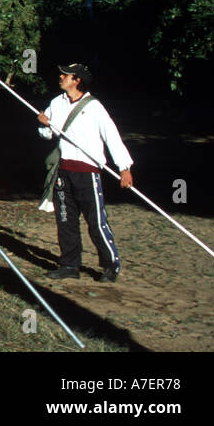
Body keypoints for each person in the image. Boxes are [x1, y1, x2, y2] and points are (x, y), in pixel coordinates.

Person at [37, 63, 133, 282]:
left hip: (87, 172)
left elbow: (112, 137)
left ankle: (110, 265)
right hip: (63, 172)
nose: (61, 77)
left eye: (66, 74)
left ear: (77, 80)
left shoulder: (95, 107)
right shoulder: (56, 103)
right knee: (65, 220)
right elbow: (47, 134)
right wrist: (44, 124)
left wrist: (124, 167)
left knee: (96, 220)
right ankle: (70, 265)